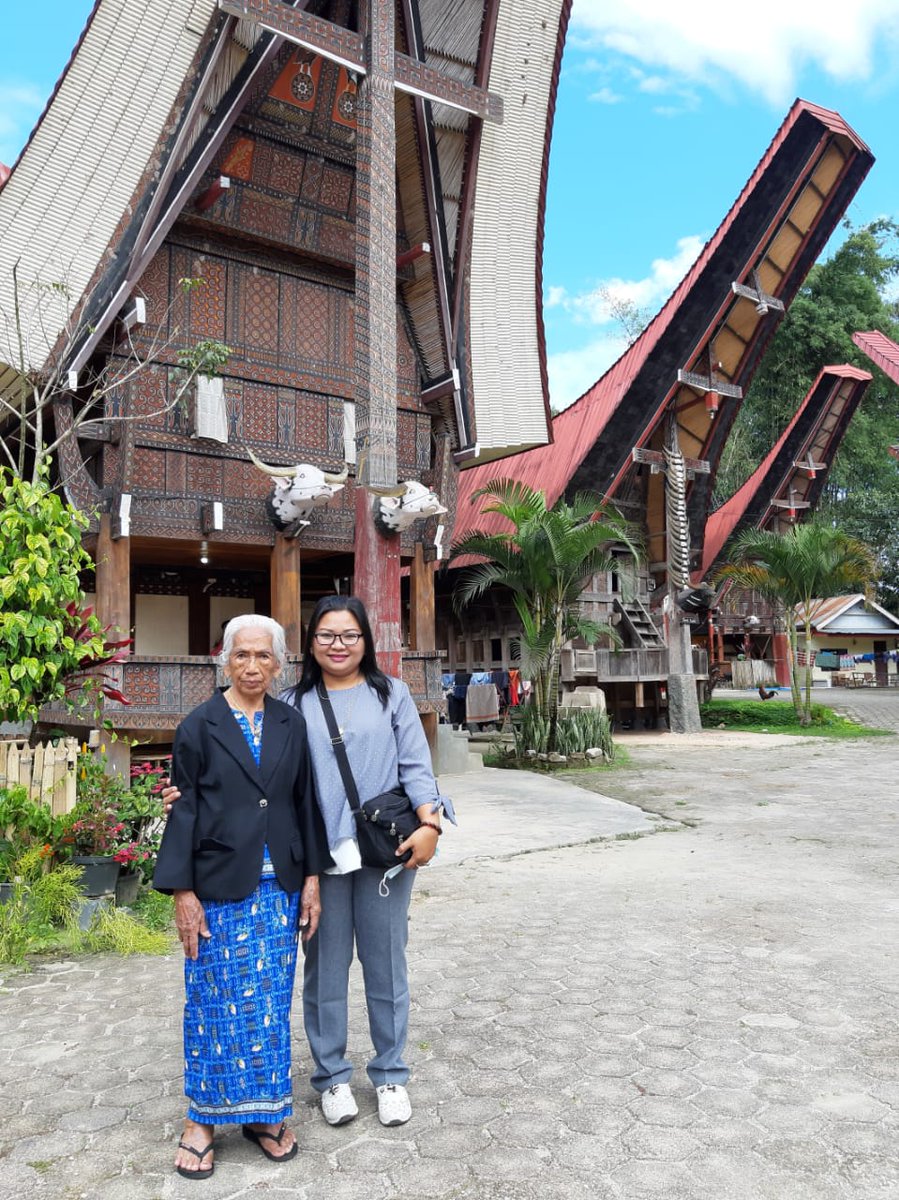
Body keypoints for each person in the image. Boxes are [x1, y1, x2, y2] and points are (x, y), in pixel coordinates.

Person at [154, 615, 331, 1179]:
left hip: (278, 887)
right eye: (241, 656)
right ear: (225, 660)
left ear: (279, 665)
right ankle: (202, 1120)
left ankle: (263, 1114)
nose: (252, 666)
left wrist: (311, 879)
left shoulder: (290, 722)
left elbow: (304, 803)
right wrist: (182, 890)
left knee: (269, 1007)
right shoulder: (199, 725)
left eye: (264, 657)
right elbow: (183, 810)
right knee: (210, 1005)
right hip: (217, 886)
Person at [281, 595, 455, 1129]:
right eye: (327, 636)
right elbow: (265, 776)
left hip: (385, 854)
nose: (338, 645)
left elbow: (415, 766)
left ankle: (391, 1073)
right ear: (311, 642)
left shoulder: (392, 695)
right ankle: (331, 1077)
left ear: (365, 641)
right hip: (319, 855)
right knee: (325, 970)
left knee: (386, 965)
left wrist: (431, 823)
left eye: (349, 635)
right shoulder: (291, 701)